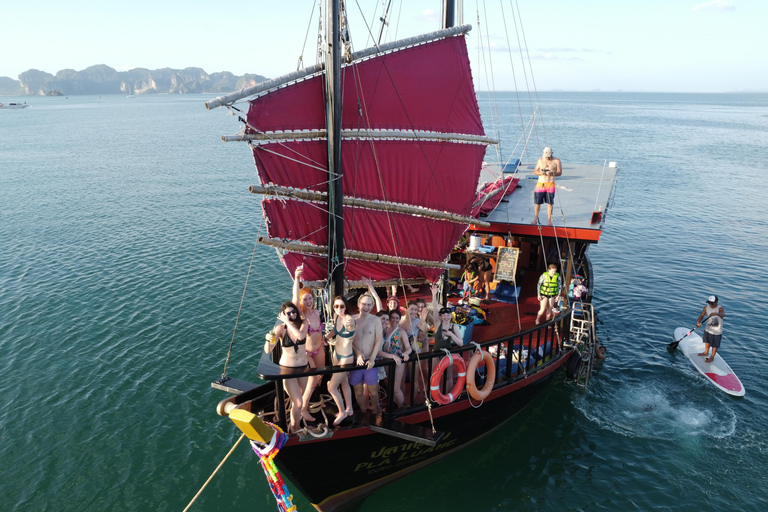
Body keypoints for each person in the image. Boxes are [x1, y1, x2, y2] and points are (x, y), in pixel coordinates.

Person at [264, 302, 309, 433]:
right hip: (287, 370)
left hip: (303, 368)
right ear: (283, 314)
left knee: (300, 400)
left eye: (293, 312)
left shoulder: (304, 324)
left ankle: (296, 425)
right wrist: (268, 339)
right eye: (288, 313)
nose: (292, 315)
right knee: (298, 402)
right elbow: (268, 350)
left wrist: (287, 322)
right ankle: (294, 427)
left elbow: (301, 336)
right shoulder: (280, 329)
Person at [292, 266, 325, 422]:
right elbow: (294, 300)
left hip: (320, 349)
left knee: (320, 376)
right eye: (305, 299)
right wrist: (297, 278)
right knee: (311, 380)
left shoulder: (317, 312)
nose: (309, 301)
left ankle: (315, 399)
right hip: (307, 353)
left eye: (310, 298)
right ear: (301, 302)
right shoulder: (301, 314)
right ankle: (304, 408)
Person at [350, 292, 384, 414]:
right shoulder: (352, 319)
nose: (366, 307)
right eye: (364, 304)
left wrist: (372, 359)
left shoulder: (375, 320)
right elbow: (347, 340)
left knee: (373, 391)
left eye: (369, 305)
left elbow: (378, 340)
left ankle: (375, 410)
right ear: (358, 304)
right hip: (355, 362)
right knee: (358, 392)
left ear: (372, 305)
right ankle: (363, 412)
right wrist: (357, 353)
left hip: (370, 360)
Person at [325, 297, 355, 426]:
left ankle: (342, 412)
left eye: (341, 306)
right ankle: (349, 408)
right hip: (337, 354)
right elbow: (334, 331)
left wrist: (349, 322)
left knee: (331, 387)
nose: (339, 309)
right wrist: (326, 337)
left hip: (346, 357)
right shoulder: (337, 317)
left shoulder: (349, 319)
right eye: (336, 306)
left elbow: (351, 323)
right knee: (344, 382)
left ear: (346, 307)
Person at [379, 308, 411, 408]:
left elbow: (408, 347)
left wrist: (406, 353)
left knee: (396, 387)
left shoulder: (401, 331)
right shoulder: (384, 330)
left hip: (398, 360)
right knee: (389, 384)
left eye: (397, 318)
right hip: (385, 359)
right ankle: (392, 403)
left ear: (400, 319)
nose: (394, 320)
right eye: (392, 317)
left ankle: (401, 406)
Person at [532, 146, 562, 225]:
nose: (547, 158)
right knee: (537, 202)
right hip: (541, 183)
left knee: (550, 203)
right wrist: (541, 173)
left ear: (552, 154)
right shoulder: (540, 160)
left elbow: (559, 172)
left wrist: (552, 173)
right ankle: (535, 218)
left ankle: (549, 220)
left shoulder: (557, 161)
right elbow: (535, 171)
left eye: (549, 156)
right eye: (546, 156)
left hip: (550, 183)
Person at [696, 295, 725, 363]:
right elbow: (701, 315)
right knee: (707, 341)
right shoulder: (706, 307)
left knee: (715, 344)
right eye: (709, 303)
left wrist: (716, 314)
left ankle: (712, 357)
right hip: (708, 329)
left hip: (717, 331)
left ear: (716, 302)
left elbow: (723, 314)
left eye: (712, 303)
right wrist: (698, 322)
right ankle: (706, 352)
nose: (710, 304)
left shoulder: (720, 309)